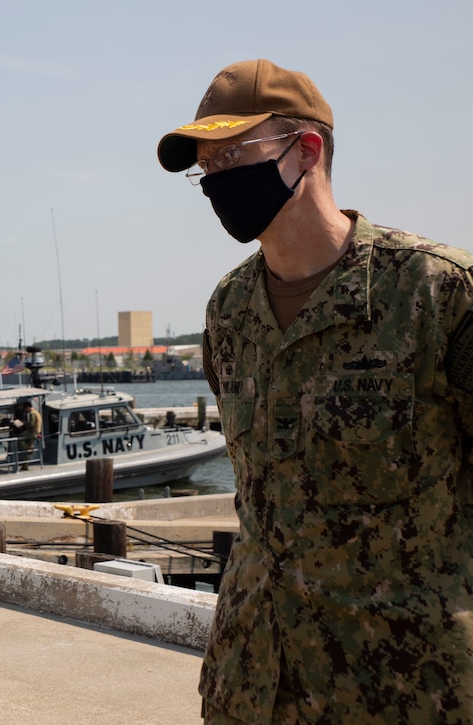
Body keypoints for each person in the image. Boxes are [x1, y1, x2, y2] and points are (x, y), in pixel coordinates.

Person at [157, 59, 473, 723]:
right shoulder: (230, 310)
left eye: (233, 155)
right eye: (205, 167)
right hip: (252, 686)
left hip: (408, 691)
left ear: (307, 151)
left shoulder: (436, 292)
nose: (216, 180)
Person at [13, 399, 41, 470]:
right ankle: (25, 465)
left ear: (28, 407)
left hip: (32, 432)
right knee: (28, 451)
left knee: (19, 437)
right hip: (36, 432)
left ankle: (27, 448)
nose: (25, 410)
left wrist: (23, 424)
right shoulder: (37, 412)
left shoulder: (33, 413)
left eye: (25, 409)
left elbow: (32, 423)